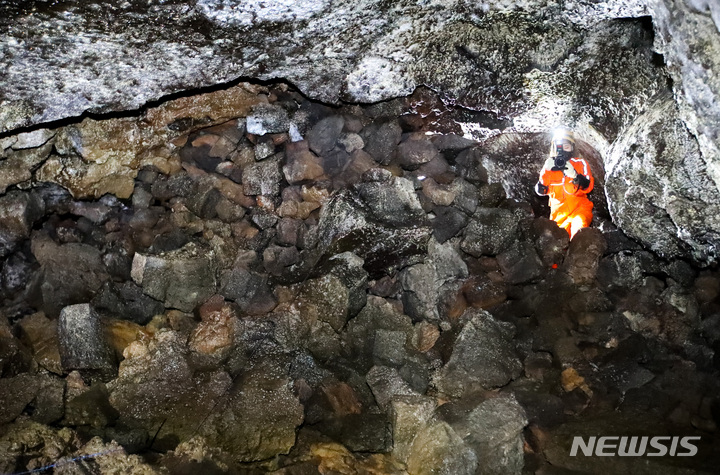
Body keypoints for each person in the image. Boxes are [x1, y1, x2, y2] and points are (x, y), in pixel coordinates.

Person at [534, 129, 594, 239]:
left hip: (580, 210)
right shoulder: (549, 166)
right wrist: (545, 171)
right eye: (559, 146)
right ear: (554, 148)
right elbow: (541, 191)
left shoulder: (580, 163)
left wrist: (575, 175)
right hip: (558, 216)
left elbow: (588, 186)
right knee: (558, 244)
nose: (562, 150)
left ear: (572, 147)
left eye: (566, 146)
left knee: (578, 233)